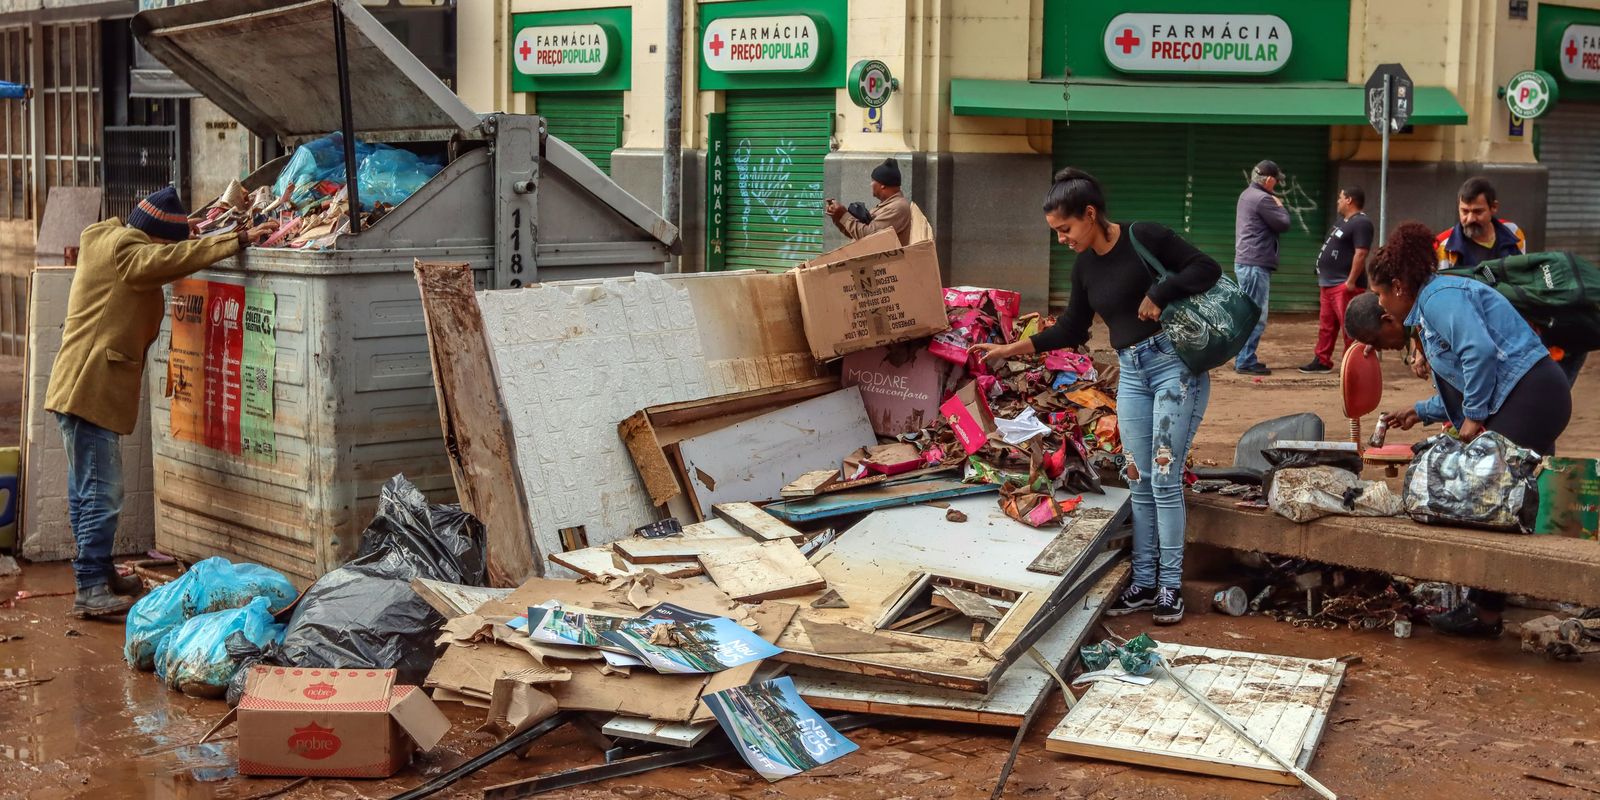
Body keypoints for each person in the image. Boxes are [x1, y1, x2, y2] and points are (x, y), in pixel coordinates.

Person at [970, 168, 1222, 625]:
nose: (1062, 239)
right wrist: (1010, 348)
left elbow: (1208, 268)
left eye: (1066, 229)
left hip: (1174, 370)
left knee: (1164, 481)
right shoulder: (1084, 266)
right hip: (1132, 374)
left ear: (1090, 214)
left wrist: (1161, 291)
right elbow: (1071, 329)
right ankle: (1144, 583)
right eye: (1056, 232)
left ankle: (1170, 587)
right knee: (1139, 481)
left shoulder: (1144, 236)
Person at [45, 187, 275, 619]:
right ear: (156, 238)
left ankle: (95, 573)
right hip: (90, 387)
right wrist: (234, 239)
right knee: (102, 493)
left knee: (86, 491)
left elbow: (160, 255)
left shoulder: (110, 239)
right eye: (170, 242)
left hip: (79, 386)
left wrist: (188, 235)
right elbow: (162, 262)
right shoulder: (128, 252)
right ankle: (91, 587)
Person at [1344, 221, 1571, 638]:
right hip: (1529, 394)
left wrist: (1473, 417)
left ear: (1396, 286)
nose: (1382, 303)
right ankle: (1492, 603)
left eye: (1379, 294)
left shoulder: (1438, 298)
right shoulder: (1433, 305)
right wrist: (1422, 410)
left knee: (1484, 495)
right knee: (1507, 502)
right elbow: (1468, 379)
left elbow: (1479, 352)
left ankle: (1484, 614)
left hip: (1532, 394)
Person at [1436, 177, 1586, 386]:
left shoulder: (1514, 234)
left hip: (1515, 323)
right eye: (1464, 211)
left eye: (1478, 212)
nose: (1470, 218)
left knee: (1573, 340)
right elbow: (1443, 299)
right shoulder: (1445, 247)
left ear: (1493, 208)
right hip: (1472, 332)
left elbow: (1524, 278)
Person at [1298, 187, 1373, 374]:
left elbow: (1361, 253)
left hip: (1344, 285)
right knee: (1326, 326)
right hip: (1328, 283)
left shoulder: (1362, 223)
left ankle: (1354, 365)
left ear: (1349, 200)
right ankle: (1322, 360)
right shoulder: (1343, 222)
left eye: (1340, 198)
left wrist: (1350, 281)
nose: (1337, 201)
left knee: (1350, 327)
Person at [1232, 160, 1291, 376]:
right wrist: (1279, 205)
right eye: (1276, 181)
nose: (1277, 185)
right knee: (1256, 315)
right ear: (1268, 180)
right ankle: (1245, 361)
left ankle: (1245, 357)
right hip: (1255, 264)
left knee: (1249, 313)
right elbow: (1283, 223)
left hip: (1247, 262)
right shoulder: (1263, 199)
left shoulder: (1246, 194)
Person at [824, 158, 928, 246]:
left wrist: (844, 215)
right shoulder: (886, 206)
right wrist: (838, 217)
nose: (870, 184)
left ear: (882, 184)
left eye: (873, 181)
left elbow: (869, 237)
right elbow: (856, 234)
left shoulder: (897, 208)